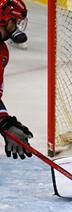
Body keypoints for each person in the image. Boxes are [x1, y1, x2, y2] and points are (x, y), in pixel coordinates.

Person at [0, 0, 33, 160]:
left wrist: (5, 121)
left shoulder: (2, 51)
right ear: (5, 21)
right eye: (16, 22)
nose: (18, 27)